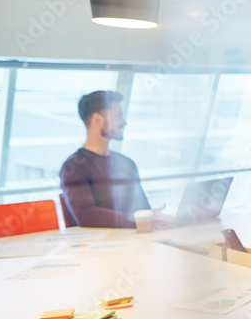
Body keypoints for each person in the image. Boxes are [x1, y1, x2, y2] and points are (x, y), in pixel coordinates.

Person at [60, 90, 174, 228]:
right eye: (118, 116)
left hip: (135, 241)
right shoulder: (74, 167)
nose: (124, 122)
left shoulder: (127, 163)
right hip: (99, 246)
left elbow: (143, 210)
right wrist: (138, 219)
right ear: (97, 119)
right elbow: (86, 216)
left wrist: (155, 219)